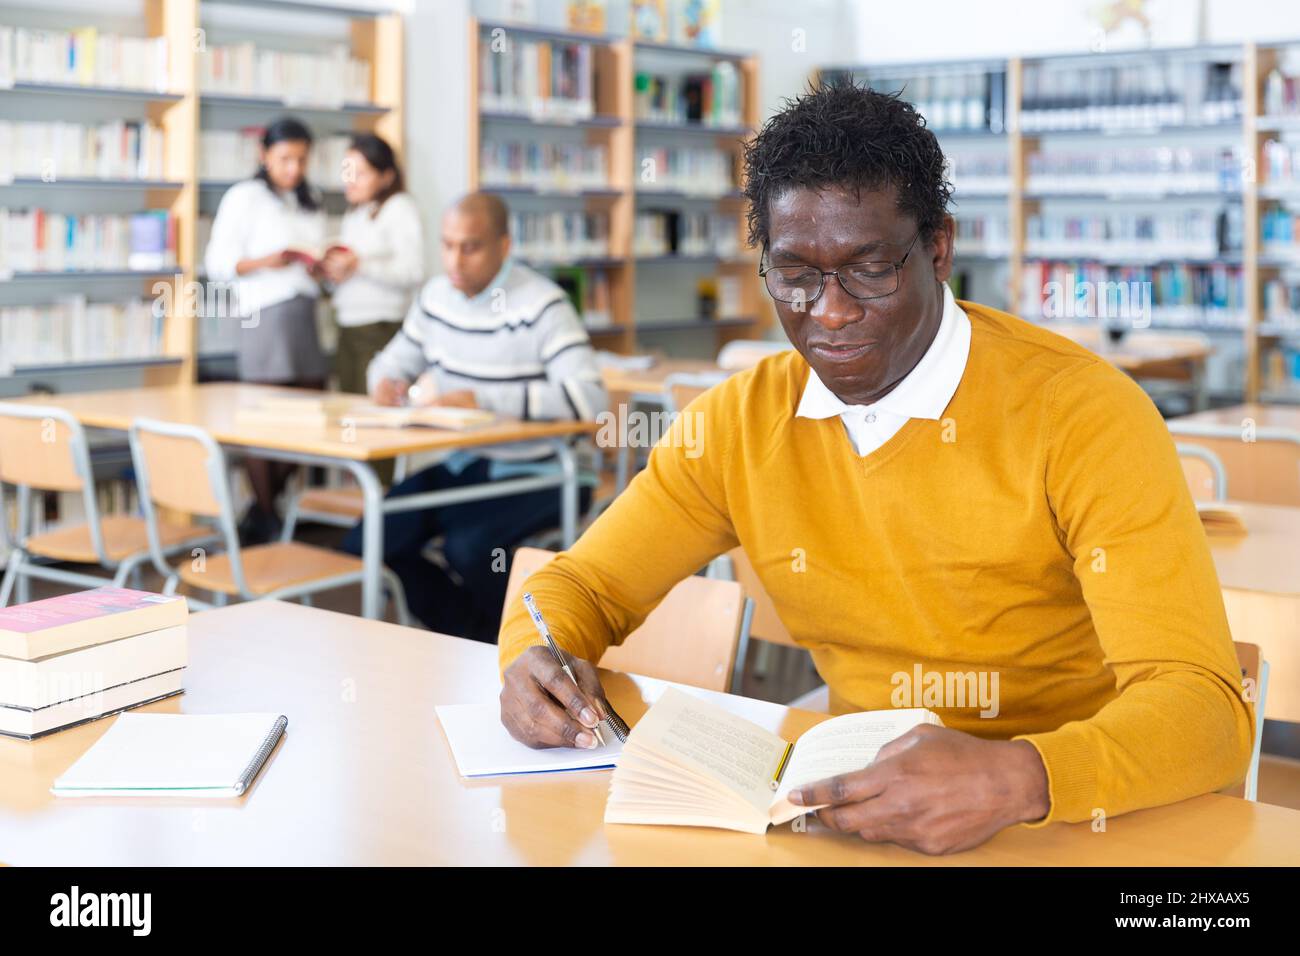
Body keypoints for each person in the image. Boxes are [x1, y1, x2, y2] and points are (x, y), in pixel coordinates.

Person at [495, 80, 1254, 855]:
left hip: (1067, 821)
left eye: (868, 269)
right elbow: (578, 587)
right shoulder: (737, 422)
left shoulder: (1083, 414)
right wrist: (533, 662)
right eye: (795, 273)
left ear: (937, 247)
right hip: (854, 816)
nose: (829, 311)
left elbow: (1205, 710)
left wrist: (1016, 778)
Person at [343, 191, 607, 641]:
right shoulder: (435, 298)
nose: (455, 260)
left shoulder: (544, 305)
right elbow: (390, 362)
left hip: (541, 470)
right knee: (368, 541)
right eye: (447, 245)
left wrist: (483, 399)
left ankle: (508, 645)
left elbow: (591, 400)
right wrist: (383, 382)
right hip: (466, 466)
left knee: (472, 550)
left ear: (504, 246)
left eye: (471, 246)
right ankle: (477, 637)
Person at [205, 116, 327, 543]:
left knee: (310, 411)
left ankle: (260, 511)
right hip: (265, 313)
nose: (293, 168)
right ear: (264, 156)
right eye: (284, 158)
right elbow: (218, 265)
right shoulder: (245, 197)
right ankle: (268, 515)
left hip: (305, 311)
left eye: (301, 159)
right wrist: (267, 261)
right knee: (266, 412)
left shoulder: (307, 199)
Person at [324, 133, 424, 397]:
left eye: (361, 173)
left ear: (386, 176)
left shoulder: (400, 208)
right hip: (348, 324)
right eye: (347, 171)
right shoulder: (355, 214)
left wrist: (360, 265)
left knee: (370, 405)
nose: (351, 181)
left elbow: (413, 271)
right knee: (349, 401)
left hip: (380, 326)